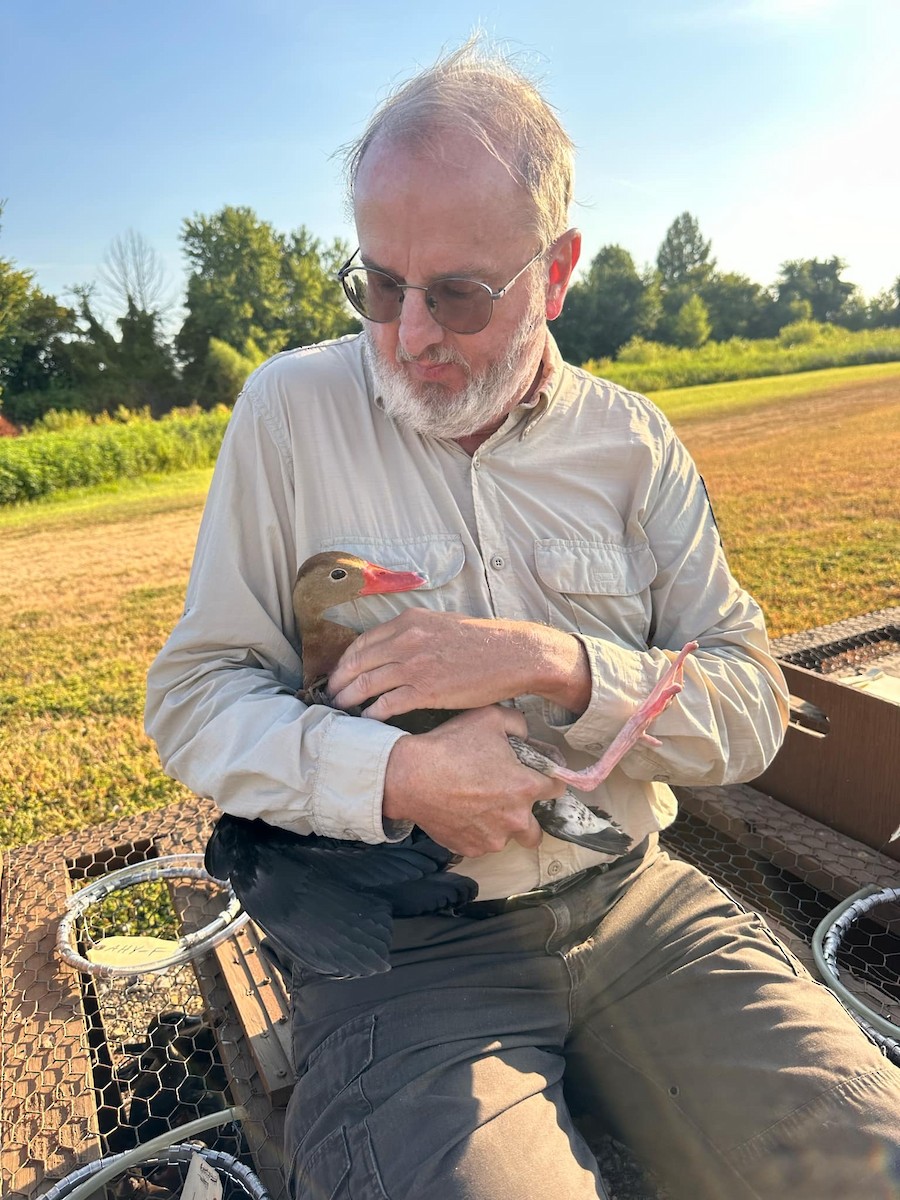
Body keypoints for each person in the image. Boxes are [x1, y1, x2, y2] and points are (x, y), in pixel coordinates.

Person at [145, 41, 900, 1200]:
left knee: (867, 1162)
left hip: (644, 907)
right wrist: (396, 778)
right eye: (378, 285)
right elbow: (196, 700)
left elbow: (749, 703)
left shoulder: (632, 443)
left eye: (457, 293)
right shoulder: (289, 414)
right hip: (407, 949)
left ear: (554, 275)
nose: (407, 336)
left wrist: (556, 663)